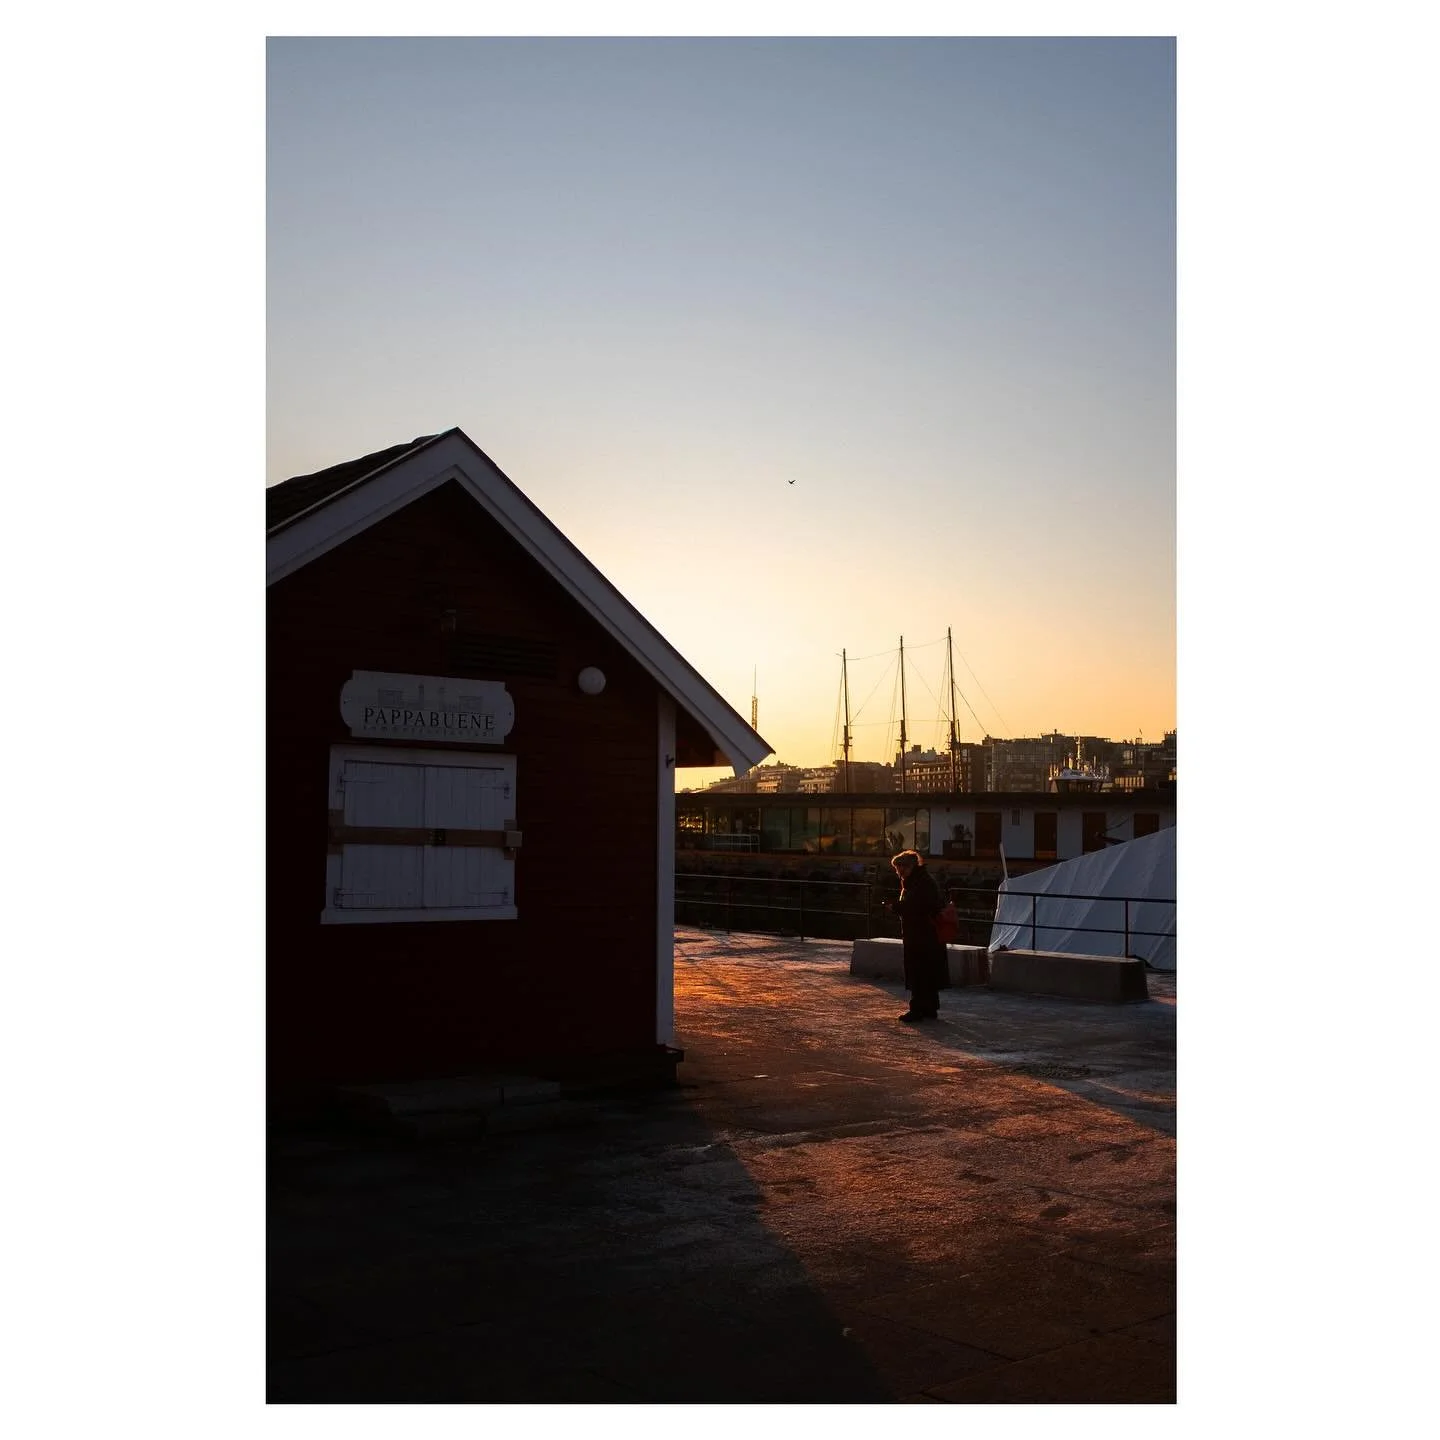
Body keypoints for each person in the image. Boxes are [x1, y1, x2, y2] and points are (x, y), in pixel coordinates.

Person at [885, 849, 947, 1023]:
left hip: (921, 935)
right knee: (927, 972)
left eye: (899, 869)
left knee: (918, 971)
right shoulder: (922, 880)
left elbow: (914, 907)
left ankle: (917, 1009)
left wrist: (895, 907)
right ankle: (930, 1008)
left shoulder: (919, 883)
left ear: (907, 867)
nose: (898, 872)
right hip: (927, 934)